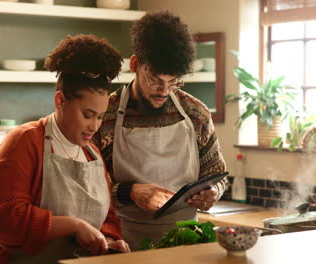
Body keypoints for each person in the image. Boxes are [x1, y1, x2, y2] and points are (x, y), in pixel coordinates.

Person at [0, 34, 130, 264]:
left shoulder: (91, 153)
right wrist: (72, 226)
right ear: (60, 101)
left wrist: (110, 240)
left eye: (101, 117)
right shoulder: (23, 142)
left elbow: (108, 218)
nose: (94, 126)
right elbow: (4, 220)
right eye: (87, 115)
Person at [92, 11, 227, 250]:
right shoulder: (106, 114)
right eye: (155, 80)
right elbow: (88, 188)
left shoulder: (196, 114)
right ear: (135, 65)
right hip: (125, 244)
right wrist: (129, 191)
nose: (164, 91)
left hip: (187, 242)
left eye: (173, 82)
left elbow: (217, 173)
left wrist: (213, 192)